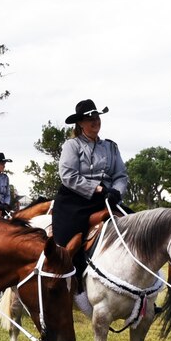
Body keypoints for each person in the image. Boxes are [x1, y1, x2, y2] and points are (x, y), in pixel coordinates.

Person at [51, 99, 129, 290]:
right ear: (80, 123)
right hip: (76, 199)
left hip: (108, 197)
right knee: (69, 239)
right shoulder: (72, 145)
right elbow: (68, 175)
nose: (95, 121)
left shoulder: (111, 147)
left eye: (97, 117)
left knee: (134, 225)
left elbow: (121, 175)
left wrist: (116, 192)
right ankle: (67, 280)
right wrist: (98, 188)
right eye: (90, 118)